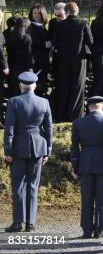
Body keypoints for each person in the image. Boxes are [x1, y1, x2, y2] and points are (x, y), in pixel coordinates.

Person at [3, 72, 52, 233]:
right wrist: (48, 150)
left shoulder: (14, 101)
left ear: (20, 86)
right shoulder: (44, 102)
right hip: (38, 146)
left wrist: (8, 150)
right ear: (35, 86)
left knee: (18, 186)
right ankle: (30, 223)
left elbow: (9, 128)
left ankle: (18, 222)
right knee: (33, 185)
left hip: (18, 147)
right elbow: (49, 129)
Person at [70, 96, 103, 239]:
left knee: (86, 200)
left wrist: (75, 167)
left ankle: (86, 231)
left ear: (88, 107)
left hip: (85, 164)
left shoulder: (78, 123)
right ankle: (99, 230)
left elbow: (74, 147)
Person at [52, 2, 93, 122]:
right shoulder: (83, 23)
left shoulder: (60, 25)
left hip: (63, 60)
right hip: (79, 61)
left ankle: (61, 117)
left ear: (67, 12)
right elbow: (90, 41)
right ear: (77, 11)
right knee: (78, 88)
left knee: (64, 87)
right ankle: (75, 116)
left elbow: (55, 41)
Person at [6, 18, 33, 98]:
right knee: (21, 92)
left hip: (12, 67)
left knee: (13, 90)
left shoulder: (10, 37)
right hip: (23, 69)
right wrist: (30, 68)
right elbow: (28, 55)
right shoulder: (26, 38)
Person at [28, 4, 51, 96]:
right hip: (36, 63)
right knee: (37, 88)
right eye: (34, 13)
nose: (37, 15)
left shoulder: (41, 26)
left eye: (39, 13)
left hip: (43, 62)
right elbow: (31, 42)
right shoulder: (31, 27)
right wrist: (45, 44)